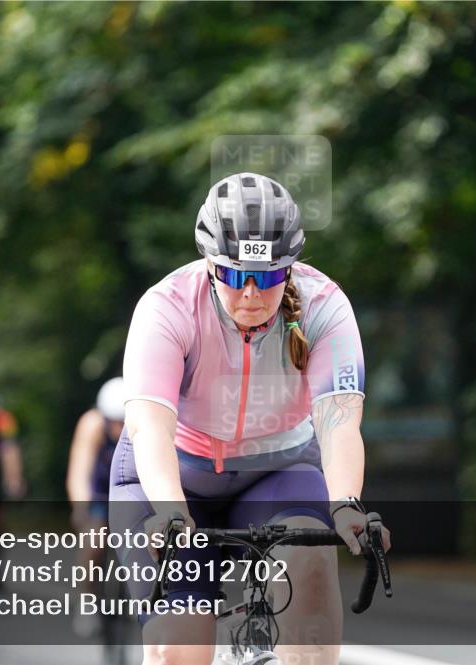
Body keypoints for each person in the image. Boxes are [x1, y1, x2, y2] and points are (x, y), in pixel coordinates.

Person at [109, 172, 391, 665]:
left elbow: (339, 422)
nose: (252, 294)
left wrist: (346, 505)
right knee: (178, 651)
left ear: (290, 268)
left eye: (270, 277)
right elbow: (150, 426)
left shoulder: (324, 305)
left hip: (277, 472)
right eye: (236, 276)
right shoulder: (167, 306)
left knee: (310, 570)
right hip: (174, 476)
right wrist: (171, 510)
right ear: (210, 264)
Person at [66, 376, 126, 637]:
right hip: (100, 495)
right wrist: (80, 508)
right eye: (114, 421)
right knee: (94, 542)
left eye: (123, 421)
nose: (119, 428)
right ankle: (87, 600)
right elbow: (79, 470)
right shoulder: (92, 424)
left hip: (133, 494)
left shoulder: (143, 424)